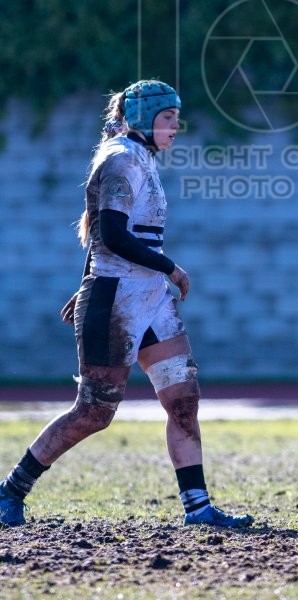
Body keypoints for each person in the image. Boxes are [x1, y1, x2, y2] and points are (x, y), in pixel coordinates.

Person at [0, 80, 253, 529]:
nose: (177, 126)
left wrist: (96, 280)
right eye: (168, 118)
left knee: (183, 400)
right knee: (95, 411)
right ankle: (10, 489)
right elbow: (113, 235)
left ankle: (198, 508)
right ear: (143, 118)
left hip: (149, 298)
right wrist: (169, 267)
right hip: (117, 298)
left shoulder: (140, 158)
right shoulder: (120, 159)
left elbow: (101, 236)